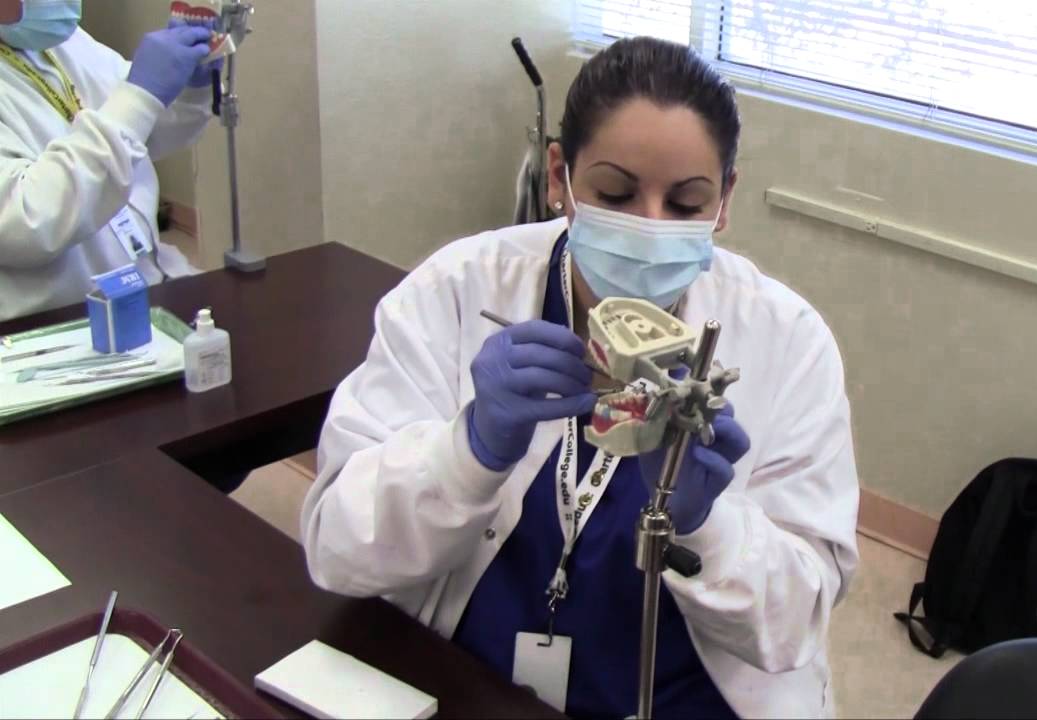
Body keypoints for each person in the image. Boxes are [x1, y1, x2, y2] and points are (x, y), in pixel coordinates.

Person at [301, 36, 860, 719]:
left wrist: (707, 526)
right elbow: (338, 549)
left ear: (725, 200)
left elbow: (796, 621)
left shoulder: (789, 341)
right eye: (615, 193)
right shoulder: (458, 289)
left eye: (686, 204)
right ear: (558, 176)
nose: (649, 228)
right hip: (472, 684)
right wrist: (466, 453)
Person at [0, 0, 219, 321]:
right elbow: (28, 220)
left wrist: (186, 88)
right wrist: (140, 96)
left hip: (145, 292)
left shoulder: (55, 41)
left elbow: (141, 134)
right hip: (56, 327)